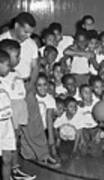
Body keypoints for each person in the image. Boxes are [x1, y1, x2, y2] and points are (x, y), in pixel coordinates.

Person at [0, 12, 55, 164]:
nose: (28, 35)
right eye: (25, 31)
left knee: (33, 120)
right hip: (5, 89)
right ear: (16, 26)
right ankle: (14, 162)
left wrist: (30, 87)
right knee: (9, 128)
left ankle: (42, 154)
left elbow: (36, 66)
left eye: (31, 32)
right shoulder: (2, 39)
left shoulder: (30, 43)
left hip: (25, 85)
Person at [0, 39, 36, 180]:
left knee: (11, 150)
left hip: (10, 117)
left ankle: (13, 172)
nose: (19, 59)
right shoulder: (4, 78)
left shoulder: (14, 73)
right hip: (6, 117)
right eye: (16, 56)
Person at [0, 50, 16, 180]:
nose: (9, 68)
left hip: (6, 125)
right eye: (7, 65)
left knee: (7, 158)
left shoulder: (5, 81)